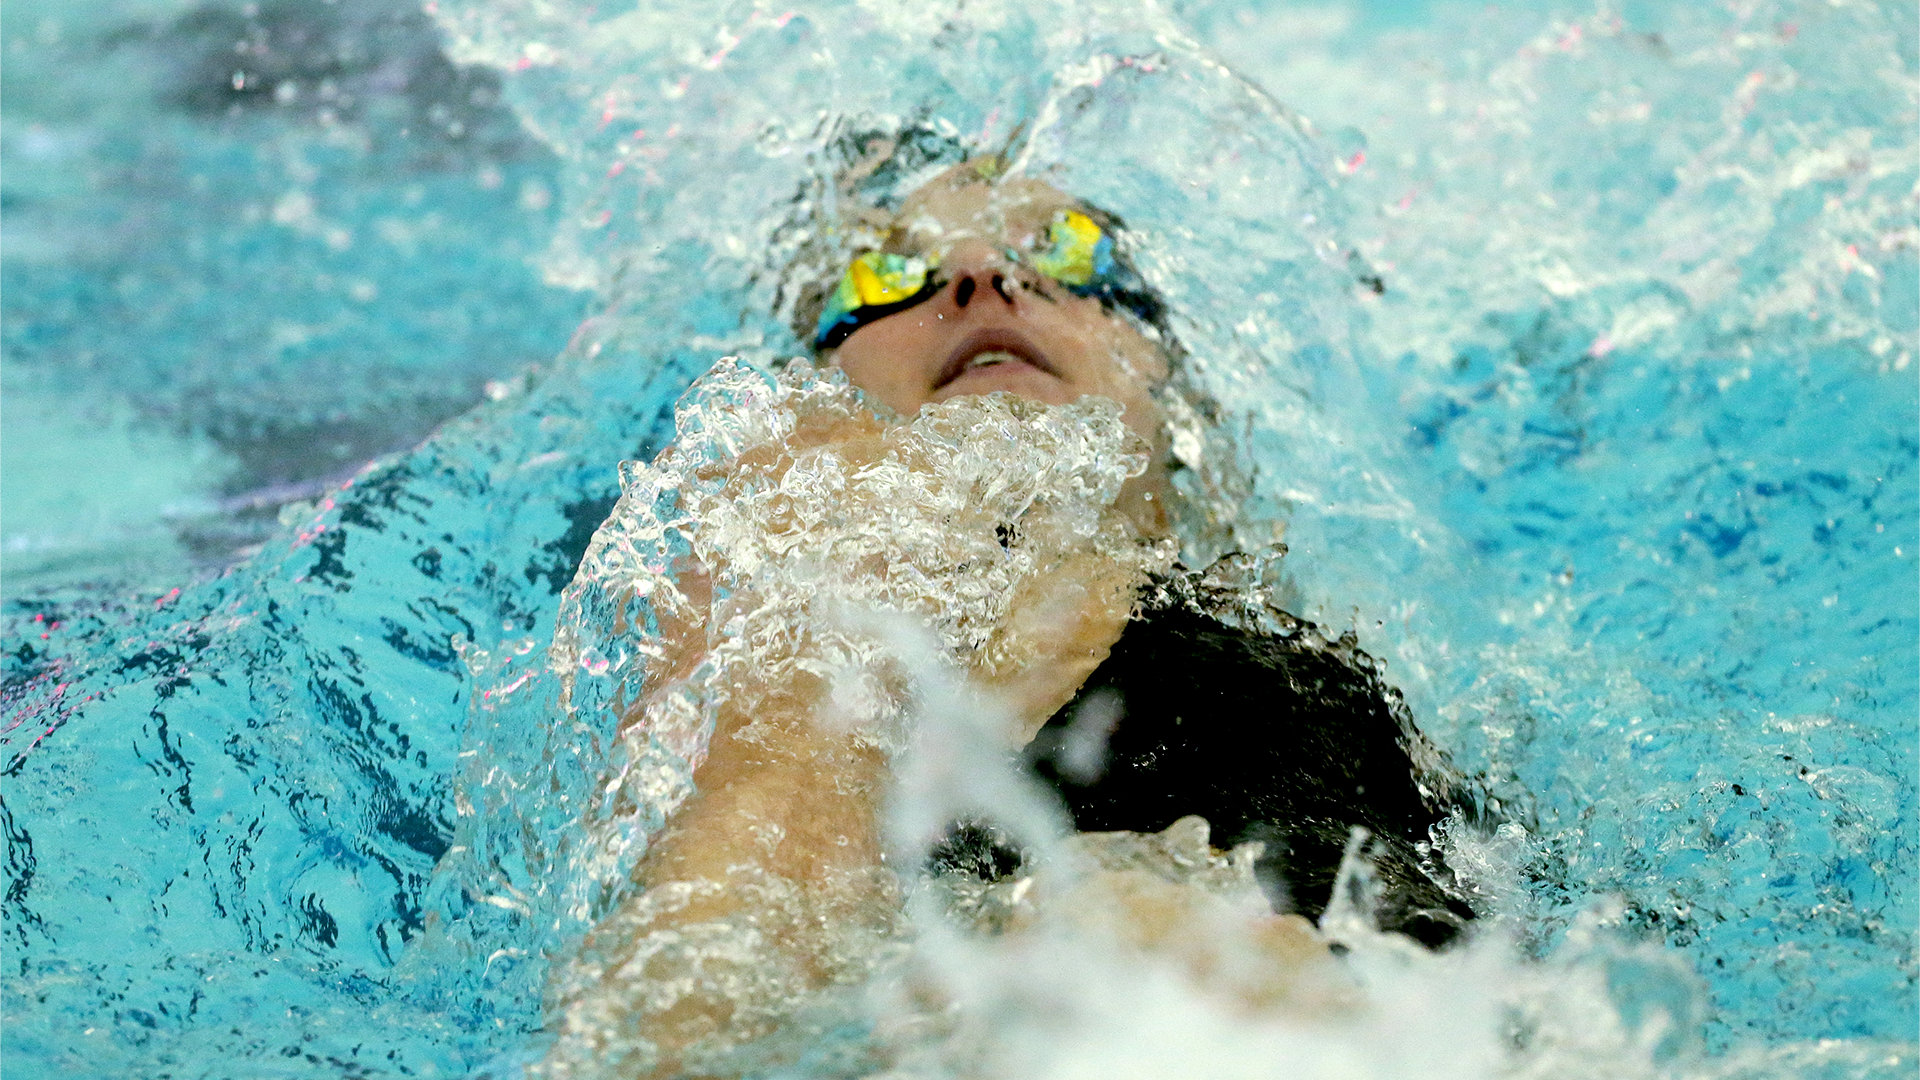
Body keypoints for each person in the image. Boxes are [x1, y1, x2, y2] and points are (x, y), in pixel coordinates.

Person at [537, 151, 1477, 1079]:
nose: (982, 279)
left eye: (1065, 250)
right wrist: (795, 642)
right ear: (808, 399)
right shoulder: (764, 655)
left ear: (1173, 392)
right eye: (887, 270)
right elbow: (672, 1028)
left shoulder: (1333, 668)